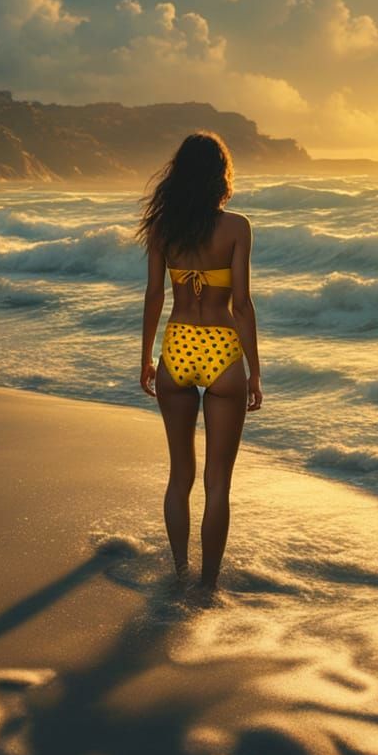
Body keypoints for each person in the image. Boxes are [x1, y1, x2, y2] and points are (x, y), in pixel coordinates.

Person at [137, 131, 262, 590]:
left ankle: (180, 574)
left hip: (178, 347)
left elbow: (154, 295)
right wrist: (254, 372)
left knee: (179, 477)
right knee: (217, 484)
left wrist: (148, 357)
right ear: (220, 176)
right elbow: (243, 305)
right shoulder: (236, 228)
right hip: (221, 348)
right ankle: (207, 588)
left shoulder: (162, 229)